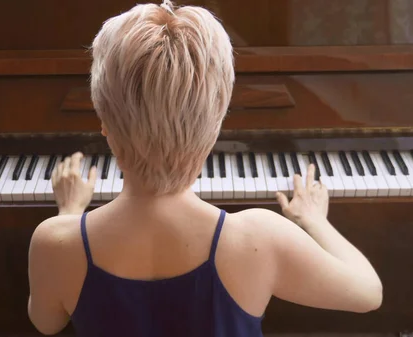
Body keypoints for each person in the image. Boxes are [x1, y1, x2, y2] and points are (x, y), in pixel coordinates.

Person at [26, 1, 383, 336]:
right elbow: (369, 293)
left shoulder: (54, 242)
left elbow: (46, 324)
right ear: (215, 128)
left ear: (104, 122)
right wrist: (314, 221)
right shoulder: (261, 238)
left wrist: (68, 214)